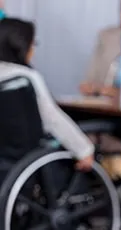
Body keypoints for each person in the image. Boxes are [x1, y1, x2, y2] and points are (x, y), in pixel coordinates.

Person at [0, 18, 94, 171]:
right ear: (22, 46)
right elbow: (52, 119)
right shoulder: (25, 78)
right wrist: (84, 150)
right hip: (28, 163)